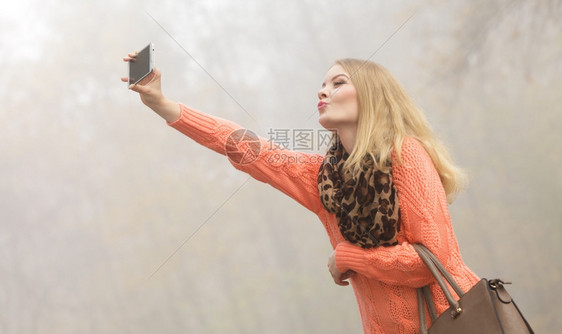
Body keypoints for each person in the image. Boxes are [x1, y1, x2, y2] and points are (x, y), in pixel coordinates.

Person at [121, 53, 479, 333]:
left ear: (372, 95)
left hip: (456, 322)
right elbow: (243, 146)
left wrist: (349, 258)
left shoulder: (405, 154)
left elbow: (433, 261)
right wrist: (162, 104)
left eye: (338, 82)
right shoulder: (324, 179)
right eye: (322, 84)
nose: (322, 91)